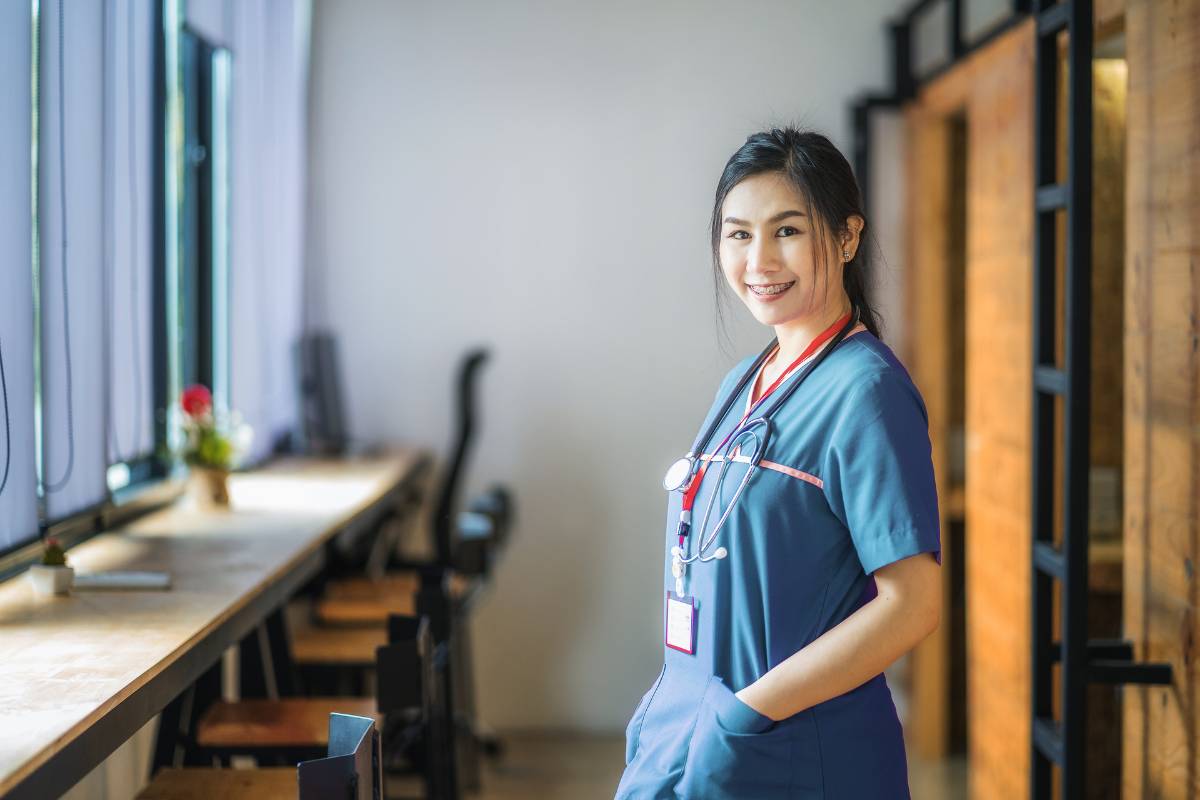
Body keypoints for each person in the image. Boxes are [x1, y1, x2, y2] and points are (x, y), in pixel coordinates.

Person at [615, 128, 942, 799]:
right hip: (695, 725)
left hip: (793, 747)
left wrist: (747, 713)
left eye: (787, 230)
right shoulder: (746, 380)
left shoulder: (865, 393)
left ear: (848, 237)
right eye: (737, 234)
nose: (759, 259)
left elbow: (913, 605)